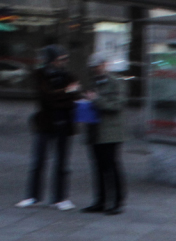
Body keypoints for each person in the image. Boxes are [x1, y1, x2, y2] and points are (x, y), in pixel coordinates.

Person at [17, 44, 79, 210]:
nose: (63, 62)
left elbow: (74, 98)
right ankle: (33, 196)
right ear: (51, 60)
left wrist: (61, 95)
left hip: (64, 124)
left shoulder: (69, 76)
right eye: (60, 59)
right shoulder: (40, 75)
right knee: (38, 161)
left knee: (62, 163)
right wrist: (64, 93)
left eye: (65, 59)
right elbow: (45, 98)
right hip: (45, 124)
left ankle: (60, 198)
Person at [80, 53, 126, 214]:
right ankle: (100, 201)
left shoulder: (115, 82)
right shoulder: (94, 82)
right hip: (95, 131)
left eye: (97, 66)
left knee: (111, 167)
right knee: (97, 167)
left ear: (105, 65)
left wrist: (95, 100)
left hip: (111, 132)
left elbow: (117, 105)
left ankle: (117, 202)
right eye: (93, 67)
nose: (95, 70)